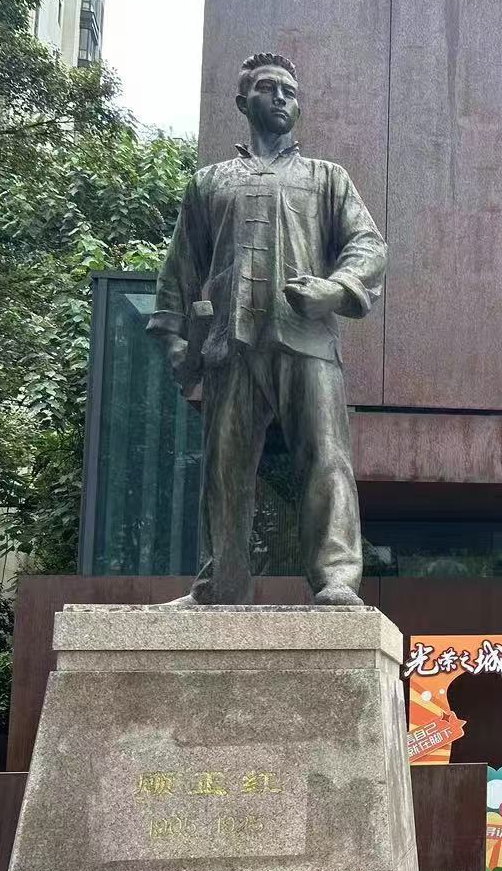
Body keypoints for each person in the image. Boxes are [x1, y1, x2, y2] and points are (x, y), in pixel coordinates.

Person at [149, 51, 387, 607]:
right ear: (242, 101)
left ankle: (336, 578)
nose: (281, 97)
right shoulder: (208, 183)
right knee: (224, 470)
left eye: (289, 91)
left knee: (326, 458)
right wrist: (175, 338)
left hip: (306, 339)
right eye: (267, 88)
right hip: (228, 345)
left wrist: (336, 288)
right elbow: (180, 267)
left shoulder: (327, 178)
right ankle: (220, 584)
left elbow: (369, 245)